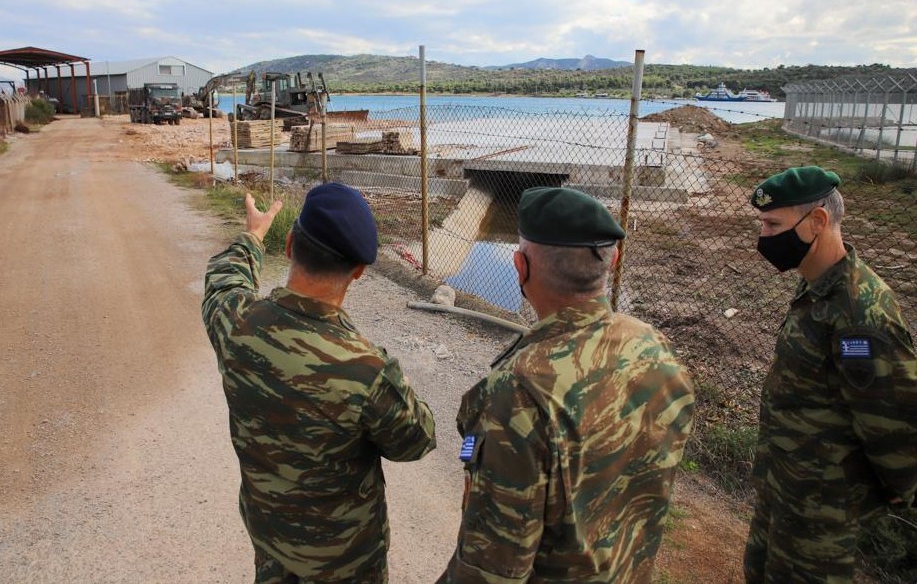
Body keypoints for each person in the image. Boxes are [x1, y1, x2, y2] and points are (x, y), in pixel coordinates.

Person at [438, 187, 695, 583]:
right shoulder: (652, 345)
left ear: (520, 267)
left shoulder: (519, 392)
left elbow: (491, 566)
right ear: (615, 259)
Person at [202, 183, 437, 583]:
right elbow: (416, 442)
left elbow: (223, 280)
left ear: (290, 244)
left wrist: (254, 234)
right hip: (345, 562)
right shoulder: (367, 370)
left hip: (271, 538)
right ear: (360, 271)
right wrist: (401, 386)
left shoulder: (237, 323)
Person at [745, 166, 917, 582]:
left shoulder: (860, 311)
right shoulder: (816, 285)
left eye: (773, 225)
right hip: (785, 486)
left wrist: (894, 501)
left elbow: (893, 424)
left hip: (822, 505)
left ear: (817, 222)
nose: (763, 237)